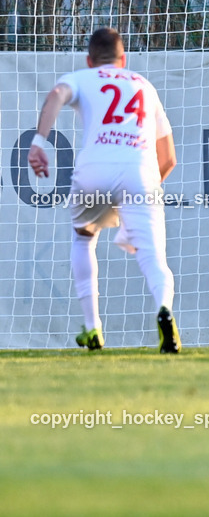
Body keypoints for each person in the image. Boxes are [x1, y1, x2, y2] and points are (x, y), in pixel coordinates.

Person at [27, 27, 181, 353]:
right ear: (123, 59)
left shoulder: (82, 77)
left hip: (94, 171)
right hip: (140, 171)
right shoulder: (145, 86)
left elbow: (56, 94)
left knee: (83, 237)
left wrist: (39, 142)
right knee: (155, 257)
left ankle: (93, 328)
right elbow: (168, 158)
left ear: (90, 59)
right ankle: (165, 310)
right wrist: (140, 196)